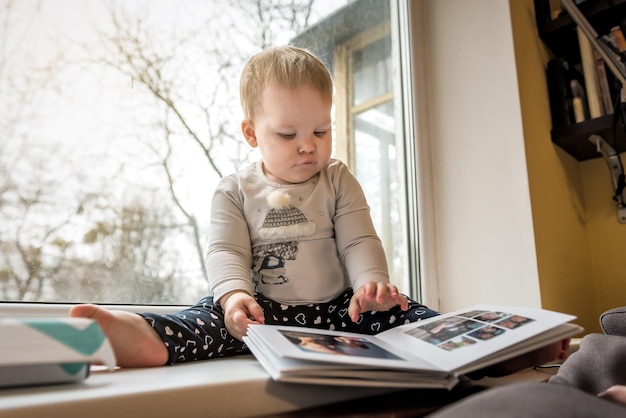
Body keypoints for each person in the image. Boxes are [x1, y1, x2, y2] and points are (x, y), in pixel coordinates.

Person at [70, 45, 569, 374]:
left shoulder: (336, 179)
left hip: (341, 310)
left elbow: (358, 239)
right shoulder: (233, 191)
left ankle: (503, 352)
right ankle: (135, 336)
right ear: (252, 134)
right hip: (262, 315)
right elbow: (224, 250)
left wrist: (371, 284)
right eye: (288, 135)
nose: (308, 147)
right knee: (200, 322)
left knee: (416, 321)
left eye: (321, 132)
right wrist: (234, 297)